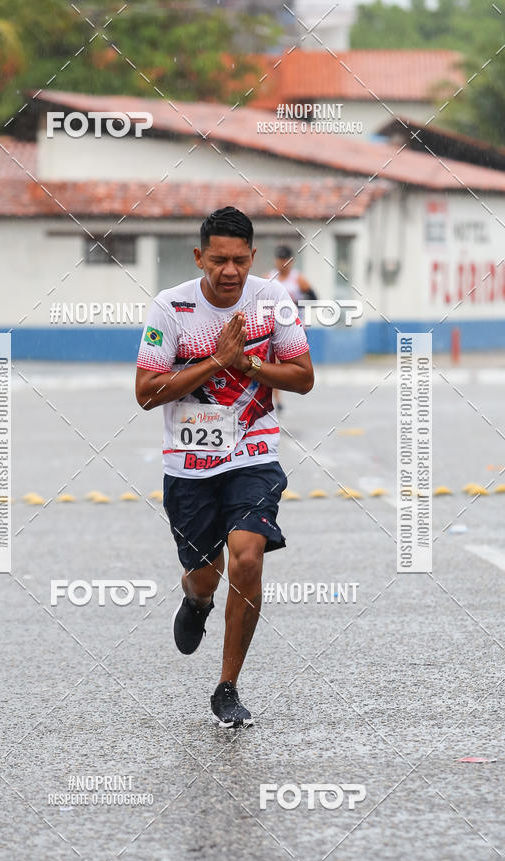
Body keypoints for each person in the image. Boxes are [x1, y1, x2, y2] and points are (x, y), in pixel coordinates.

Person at [135, 207, 314, 728]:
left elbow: (303, 378)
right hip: (189, 466)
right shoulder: (170, 309)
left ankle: (227, 687)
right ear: (199, 257)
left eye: (239, 260)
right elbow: (146, 394)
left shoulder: (272, 301)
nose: (230, 270)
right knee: (205, 577)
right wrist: (216, 360)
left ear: (253, 258)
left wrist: (248, 363)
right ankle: (195, 602)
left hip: (254, 454)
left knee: (248, 556)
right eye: (218, 260)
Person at [266, 245, 316, 412]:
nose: (282, 264)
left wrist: (292, 305)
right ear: (276, 261)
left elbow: (314, 299)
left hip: (296, 327)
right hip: (273, 327)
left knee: (287, 365)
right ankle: (276, 399)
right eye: (280, 261)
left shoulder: (298, 279)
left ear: (291, 262)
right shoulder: (269, 278)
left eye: (285, 261)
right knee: (274, 363)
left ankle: (285, 391)